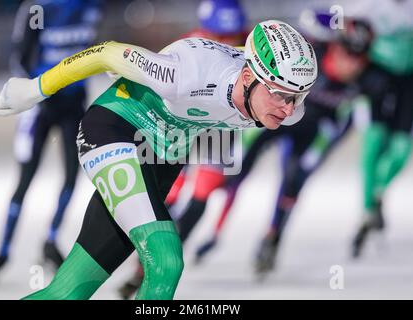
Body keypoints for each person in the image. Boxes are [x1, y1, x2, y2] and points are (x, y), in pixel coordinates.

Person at [0, 20, 317, 299]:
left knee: (67, 292)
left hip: (161, 160)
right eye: (280, 94)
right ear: (248, 77)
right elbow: (106, 53)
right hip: (114, 129)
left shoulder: (285, 109)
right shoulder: (187, 74)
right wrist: (36, 88)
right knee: (166, 259)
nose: (289, 108)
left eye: (297, 96)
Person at [194, 15, 373, 272]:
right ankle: (213, 230)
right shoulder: (312, 51)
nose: (352, 64)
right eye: (347, 53)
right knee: (235, 169)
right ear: (335, 44)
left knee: (294, 179)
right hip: (276, 119)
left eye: (360, 58)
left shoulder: (364, 82)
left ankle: (272, 237)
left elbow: (348, 124)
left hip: (313, 132)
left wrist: (321, 150)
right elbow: (305, 19)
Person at [117, 0, 250, 299]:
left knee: (201, 198)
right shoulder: (188, 45)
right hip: (184, 127)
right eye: (219, 35)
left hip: (219, 131)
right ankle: (149, 260)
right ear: (205, 30)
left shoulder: (245, 45)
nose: (228, 43)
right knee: (171, 195)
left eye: (233, 36)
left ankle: (156, 264)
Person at [0, 0, 103, 284]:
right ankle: (3, 250)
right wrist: (32, 95)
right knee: (26, 178)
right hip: (40, 106)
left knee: (73, 175)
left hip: (74, 103)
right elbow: (20, 56)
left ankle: (51, 240)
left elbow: (90, 50)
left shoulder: (92, 6)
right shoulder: (38, 7)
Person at [348, 0, 413, 257]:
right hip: (378, 77)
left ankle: (376, 194)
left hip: (407, 81)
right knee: (373, 145)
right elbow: (343, 26)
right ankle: (366, 209)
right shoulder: (370, 5)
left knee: (401, 148)